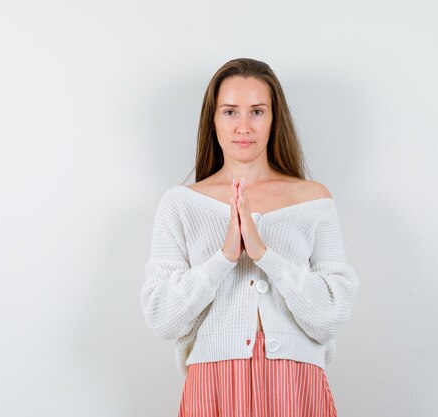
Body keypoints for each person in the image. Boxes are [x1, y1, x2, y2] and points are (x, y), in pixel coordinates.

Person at [140, 58, 359, 417]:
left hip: (297, 383)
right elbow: (162, 317)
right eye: (230, 112)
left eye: (257, 111)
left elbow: (331, 315)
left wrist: (264, 254)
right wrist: (224, 258)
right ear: (212, 119)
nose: (243, 126)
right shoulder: (181, 204)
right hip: (214, 386)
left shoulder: (313, 199)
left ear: (275, 118)